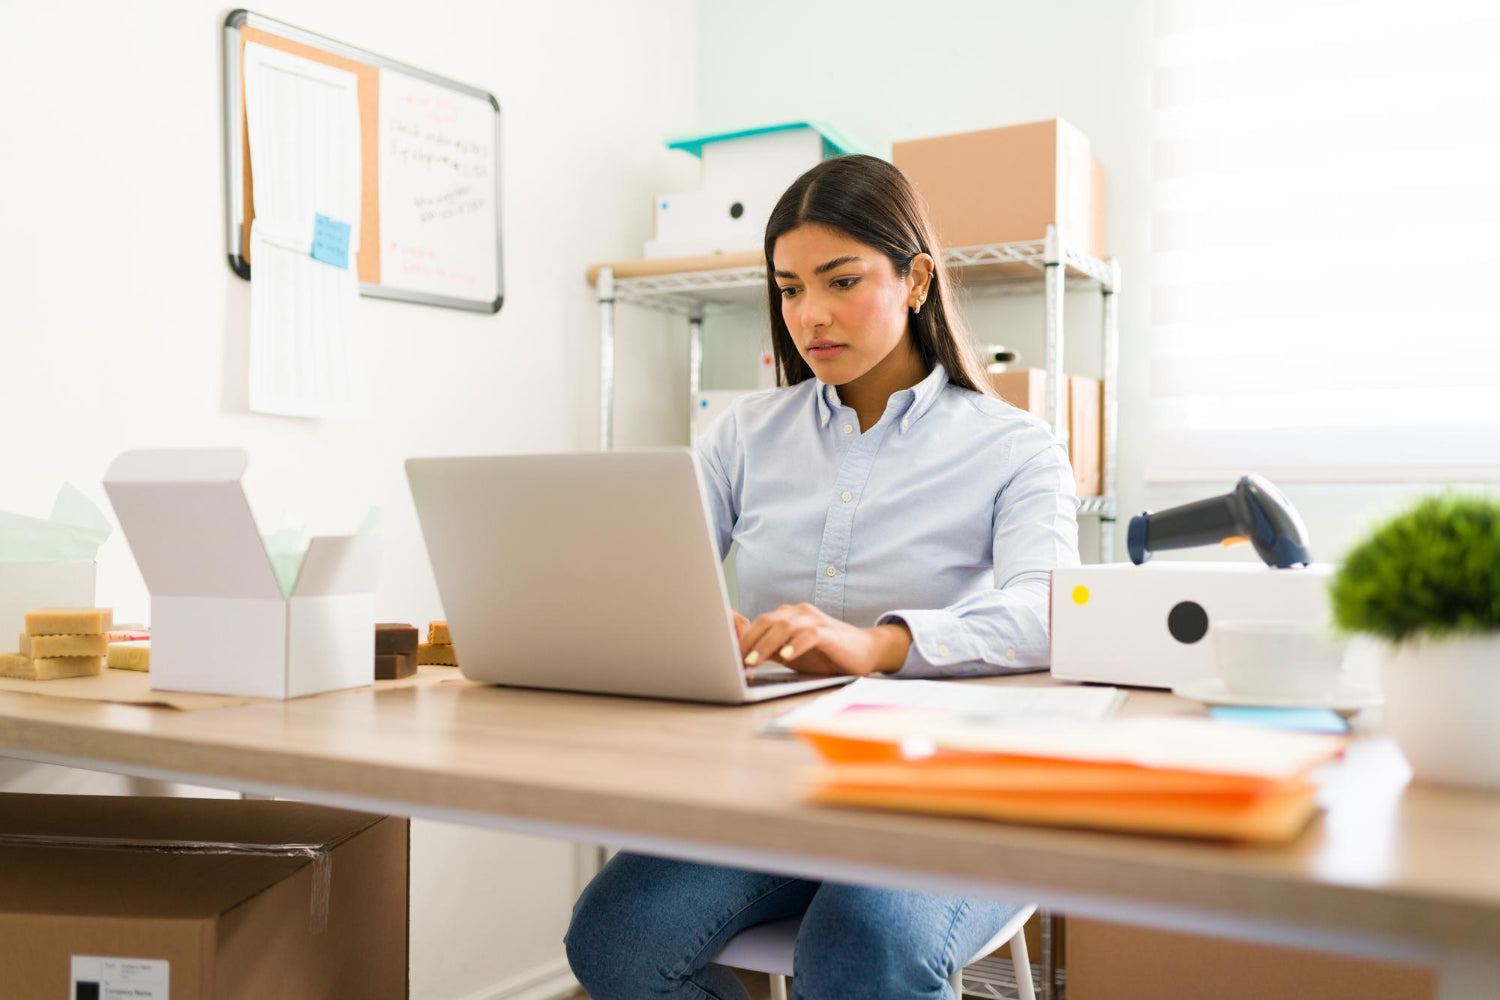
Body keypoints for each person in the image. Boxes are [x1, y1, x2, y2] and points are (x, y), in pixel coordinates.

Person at [565, 154, 1080, 999]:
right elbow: (657, 574)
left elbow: (1051, 609)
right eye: (789, 288)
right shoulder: (746, 433)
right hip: (774, 781)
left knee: (862, 943)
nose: (811, 316)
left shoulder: (1014, 445)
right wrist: (690, 628)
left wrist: (879, 645)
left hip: (946, 786)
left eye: (841, 281)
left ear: (917, 281)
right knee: (617, 939)